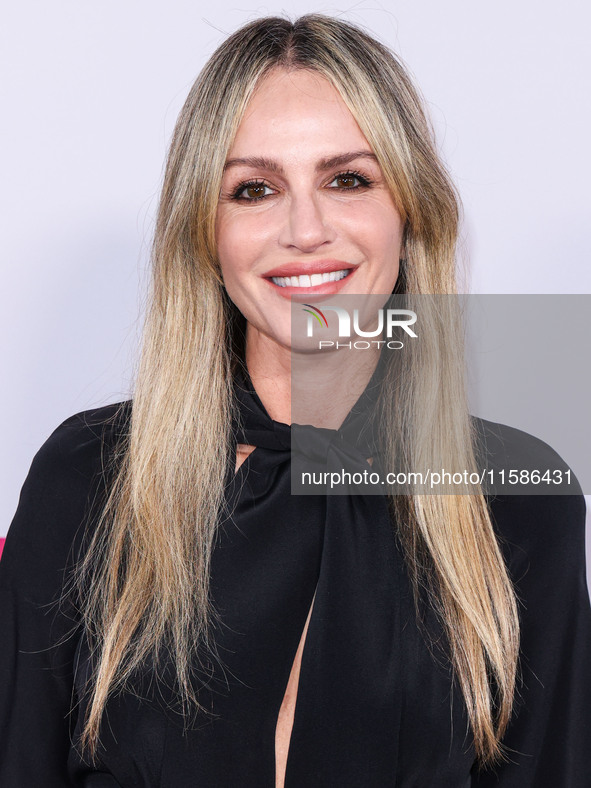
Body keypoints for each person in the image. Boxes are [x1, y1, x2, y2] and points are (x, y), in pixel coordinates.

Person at [1, 13, 590, 788]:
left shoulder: (516, 497)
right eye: (254, 189)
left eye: (347, 179)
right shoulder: (89, 476)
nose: (304, 229)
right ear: (204, 233)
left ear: (408, 210)